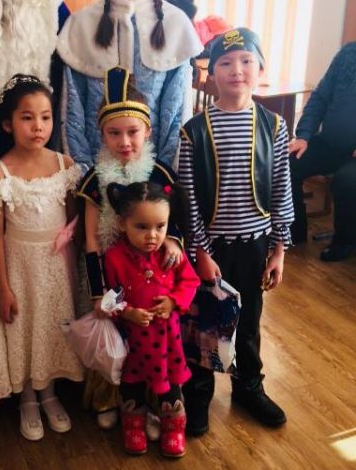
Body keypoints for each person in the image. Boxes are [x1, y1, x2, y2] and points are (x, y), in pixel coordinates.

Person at [178, 28, 294, 432]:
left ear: (260, 69)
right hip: (212, 248)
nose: (237, 70)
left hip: (254, 245)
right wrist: (200, 250)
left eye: (246, 61)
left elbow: (281, 188)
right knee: (204, 323)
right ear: (212, 74)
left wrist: (278, 249)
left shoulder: (274, 126)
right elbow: (189, 196)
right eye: (225, 63)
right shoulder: (194, 130)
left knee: (248, 321)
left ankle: (249, 387)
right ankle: (198, 393)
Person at [78, 66, 183, 433]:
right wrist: (99, 292)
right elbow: (91, 239)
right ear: (102, 134)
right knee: (115, 333)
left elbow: (174, 218)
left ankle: (155, 401)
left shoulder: (160, 175)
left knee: (152, 332)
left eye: (132, 132)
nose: (124, 142)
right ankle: (110, 398)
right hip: (113, 273)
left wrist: (172, 240)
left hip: (153, 273)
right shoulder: (94, 180)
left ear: (147, 131)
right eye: (114, 133)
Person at [57, 0, 203, 170]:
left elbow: (176, 114)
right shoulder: (82, 23)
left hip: (154, 173)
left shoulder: (174, 23)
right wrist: (85, 175)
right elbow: (73, 112)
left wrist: (162, 175)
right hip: (95, 172)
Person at [0, 74, 84, 440]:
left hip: (56, 267)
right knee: (24, 327)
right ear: (8, 123)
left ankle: (50, 392)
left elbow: (73, 220)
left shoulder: (64, 165)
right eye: (27, 118)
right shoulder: (0, 173)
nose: (38, 126)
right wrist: (3, 286)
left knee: (53, 326)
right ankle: (27, 396)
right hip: (19, 267)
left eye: (45, 117)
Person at [104, 181, 199, 457]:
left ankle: (174, 427)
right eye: (142, 227)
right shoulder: (114, 257)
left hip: (169, 340)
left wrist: (174, 301)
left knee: (172, 383)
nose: (152, 235)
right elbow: (109, 297)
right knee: (131, 382)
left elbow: (190, 281)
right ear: (122, 223)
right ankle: (133, 425)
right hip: (134, 339)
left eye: (160, 226)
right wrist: (128, 312)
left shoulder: (171, 254)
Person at [289, 41, 356, 262]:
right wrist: (304, 136)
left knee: (347, 181)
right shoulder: (348, 53)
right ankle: (294, 232)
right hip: (330, 143)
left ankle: (345, 242)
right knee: (287, 162)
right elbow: (320, 97)